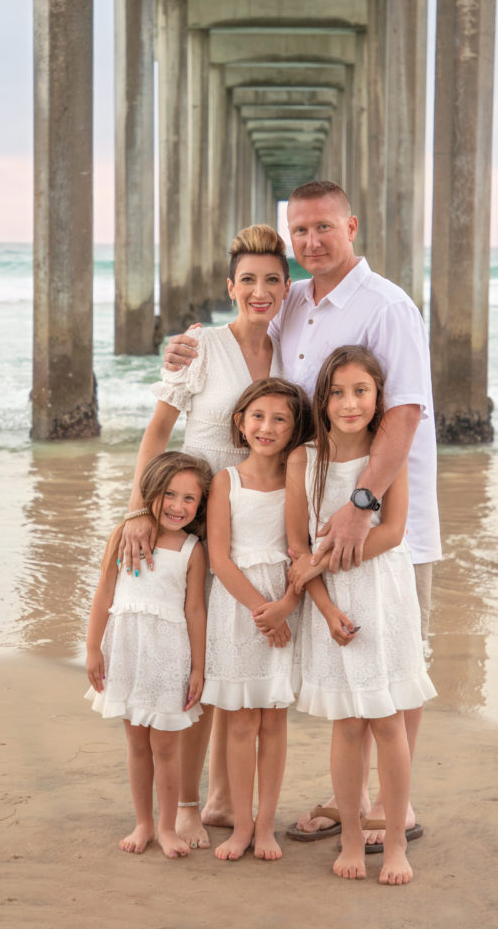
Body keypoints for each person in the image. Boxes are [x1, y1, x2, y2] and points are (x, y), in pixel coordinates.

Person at [164, 181, 441, 849]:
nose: (312, 241)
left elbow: (402, 410)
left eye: (324, 228)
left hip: (378, 513)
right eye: (301, 232)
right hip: (312, 509)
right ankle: (353, 797)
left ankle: (389, 809)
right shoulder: (292, 302)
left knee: (394, 658)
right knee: (342, 659)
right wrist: (183, 348)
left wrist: (361, 507)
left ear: (351, 225)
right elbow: (242, 327)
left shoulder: (385, 305)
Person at [118, 224, 291, 849]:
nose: (260, 290)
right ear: (230, 287)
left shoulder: (295, 349)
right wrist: (139, 510)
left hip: (258, 521)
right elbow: (157, 431)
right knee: (190, 657)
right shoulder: (200, 346)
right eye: (248, 279)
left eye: (273, 278)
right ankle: (185, 804)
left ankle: (223, 797)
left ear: (287, 286)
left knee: (232, 656)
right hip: (194, 517)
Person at [287, 347, 436, 884]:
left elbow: (393, 532)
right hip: (331, 603)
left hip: (382, 592)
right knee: (347, 725)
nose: (349, 403)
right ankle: (351, 838)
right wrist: (322, 603)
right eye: (337, 392)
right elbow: (295, 542)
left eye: (361, 391)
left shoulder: (384, 455)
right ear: (321, 399)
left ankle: (395, 842)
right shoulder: (304, 457)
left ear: (379, 399)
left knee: (388, 720)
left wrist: (319, 562)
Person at [202, 378, 313, 861]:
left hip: (285, 600)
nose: (267, 427)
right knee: (241, 721)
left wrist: (285, 605)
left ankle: (266, 825)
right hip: (237, 609)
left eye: (280, 419)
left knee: (274, 720)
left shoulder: (298, 479)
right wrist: (260, 612)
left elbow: (300, 549)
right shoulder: (225, 480)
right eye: (258, 417)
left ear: (294, 429)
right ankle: (241, 825)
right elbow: (220, 559)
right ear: (240, 423)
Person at [85, 451, 211, 858]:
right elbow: (104, 591)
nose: (178, 506)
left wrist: (198, 667)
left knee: (167, 748)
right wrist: (92, 649)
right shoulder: (125, 533)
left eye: (190, 499)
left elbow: (195, 609)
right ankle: (143, 823)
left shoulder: (193, 548)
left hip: (169, 658)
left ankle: (168, 826)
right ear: (151, 492)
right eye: (170, 494)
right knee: (137, 745)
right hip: (126, 652)